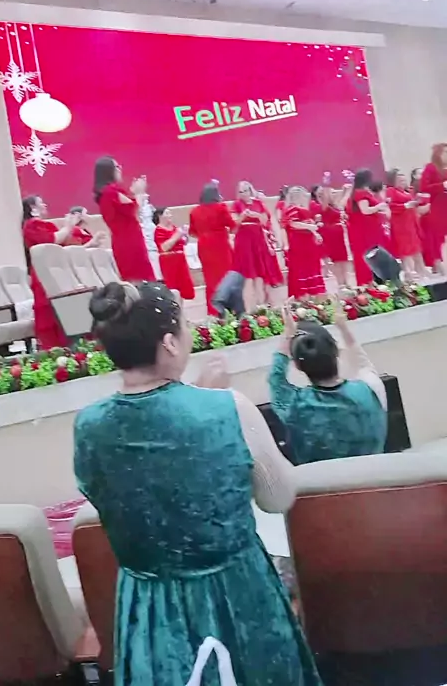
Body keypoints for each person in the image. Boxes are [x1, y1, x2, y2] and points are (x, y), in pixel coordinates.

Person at [74, 282, 322, 686]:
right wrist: (203, 400)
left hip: (150, 610)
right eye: (184, 325)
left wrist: (196, 399)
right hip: (236, 598)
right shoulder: (228, 408)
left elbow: (132, 495)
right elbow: (278, 497)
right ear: (170, 343)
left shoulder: (89, 427)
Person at [268, 299, 387, 465]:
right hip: (374, 477)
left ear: (297, 365)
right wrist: (343, 328)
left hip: (321, 481)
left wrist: (288, 334)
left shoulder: (295, 405)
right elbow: (364, 365)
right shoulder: (369, 390)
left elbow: (275, 379)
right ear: (336, 351)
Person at [22, 196, 82, 349]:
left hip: (58, 271)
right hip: (44, 273)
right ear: (33, 209)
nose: (45, 205)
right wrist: (67, 226)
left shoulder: (46, 224)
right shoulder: (32, 225)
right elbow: (52, 240)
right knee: (51, 313)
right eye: (40, 203)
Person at [94, 156, 155, 283]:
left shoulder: (108, 192)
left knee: (138, 277)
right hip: (129, 241)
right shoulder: (110, 192)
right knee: (139, 279)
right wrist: (139, 193)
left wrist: (135, 193)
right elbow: (134, 210)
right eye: (117, 167)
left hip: (126, 239)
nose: (120, 169)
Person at [232, 181, 283, 309]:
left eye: (245, 191)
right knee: (247, 271)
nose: (243, 194)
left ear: (250, 190)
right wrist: (242, 216)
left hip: (258, 238)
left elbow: (265, 220)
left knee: (260, 271)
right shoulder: (236, 204)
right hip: (244, 239)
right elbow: (233, 224)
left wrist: (257, 215)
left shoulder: (258, 203)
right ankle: (249, 305)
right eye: (240, 191)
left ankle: (262, 303)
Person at [189, 182, 236, 316]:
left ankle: (213, 310)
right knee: (225, 277)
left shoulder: (194, 211)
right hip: (220, 246)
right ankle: (227, 307)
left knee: (210, 280)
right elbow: (232, 225)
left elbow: (192, 232)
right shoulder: (221, 208)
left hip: (204, 247)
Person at [346, 168, 391, 286]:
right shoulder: (361, 193)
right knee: (372, 254)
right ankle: (372, 282)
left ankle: (371, 282)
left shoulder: (355, 193)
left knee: (367, 255)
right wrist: (379, 206)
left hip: (365, 229)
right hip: (367, 231)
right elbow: (365, 210)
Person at [282, 187, 326, 299]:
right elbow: (293, 223)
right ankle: (303, 296)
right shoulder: (292, 208)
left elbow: (309, 225)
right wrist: (310, 227)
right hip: (299, 243)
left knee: (311, 268)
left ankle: (313, 295)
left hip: (308, 243)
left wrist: (315, 233)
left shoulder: (303, 209)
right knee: (301, 269)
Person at [386, 170, 425, 278]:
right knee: (405, 249)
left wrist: (416, 201)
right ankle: (409, 272)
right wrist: (405, 206)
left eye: (404, 179)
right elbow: (391, 206)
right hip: (401, 225)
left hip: (411, 223)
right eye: (400, 179)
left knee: (416, 248)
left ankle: (421, 271)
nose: (402, 181)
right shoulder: (390, 191)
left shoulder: (406, 191)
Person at [311, 185, 350, 288]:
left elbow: (340, 206)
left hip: (339, 234)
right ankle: (341, 284)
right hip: (329, 235)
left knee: (343, 259)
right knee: (336, 260)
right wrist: (326, 186)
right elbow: (324, 207)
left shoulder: (332, 205)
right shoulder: (317, 205)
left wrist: (345, 191)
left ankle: (346, 282)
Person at [153, 207, 195, 301]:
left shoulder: (174, 228)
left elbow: (183, 242)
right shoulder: (158, 230)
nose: (170, 215)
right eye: (167, 213)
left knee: (183, 286)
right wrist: (177, 235)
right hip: (169, 261)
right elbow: (164, 247)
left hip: (180, 259)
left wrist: (184, 234)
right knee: (173, 286)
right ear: (160, 216)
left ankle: (180, 304)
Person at [420, 145, 447, 274]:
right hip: (439, 207)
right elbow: (424, 187)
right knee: (441, 238)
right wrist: (442, 185)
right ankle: (441, 264)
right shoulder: (430, 167)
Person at [411, 168, 434, 270]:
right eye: (421, 173)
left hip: (434, 221)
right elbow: (416, 210)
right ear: (414, 176)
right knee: (427, 247)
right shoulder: (413, 191)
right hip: (422, 223)